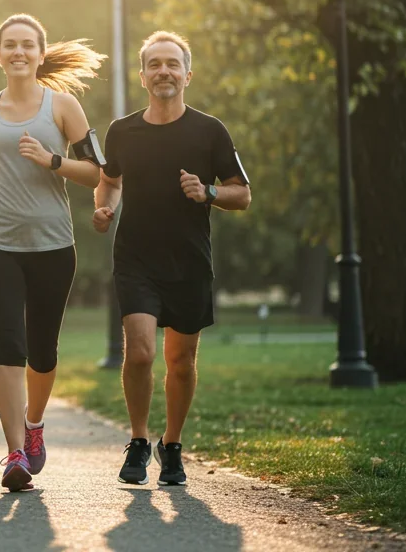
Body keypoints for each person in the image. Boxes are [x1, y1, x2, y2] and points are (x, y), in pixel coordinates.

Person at [93, 31, 250, 487]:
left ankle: (172, 444)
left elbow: (243, 194)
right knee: (140, 354)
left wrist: (209, 192)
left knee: (180, 362)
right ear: (142, 76)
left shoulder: (210, 130)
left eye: (172, 64)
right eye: (155, 64)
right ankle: (139, 441)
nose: (164, 71)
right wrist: (104, 207)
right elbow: (109, 179)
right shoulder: (122, 130)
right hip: (136, 257)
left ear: (187, 74)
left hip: (189, 260)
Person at [0, 14, 105, 492]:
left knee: (42, 351)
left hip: (52, 244)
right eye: (10, 45)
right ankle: (14, 452)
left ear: (40, 54)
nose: (18, 52)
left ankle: (35, 423)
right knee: (10, 344)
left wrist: (53, 161)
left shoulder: (62, 107)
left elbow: (99, 173)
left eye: (27, 45)